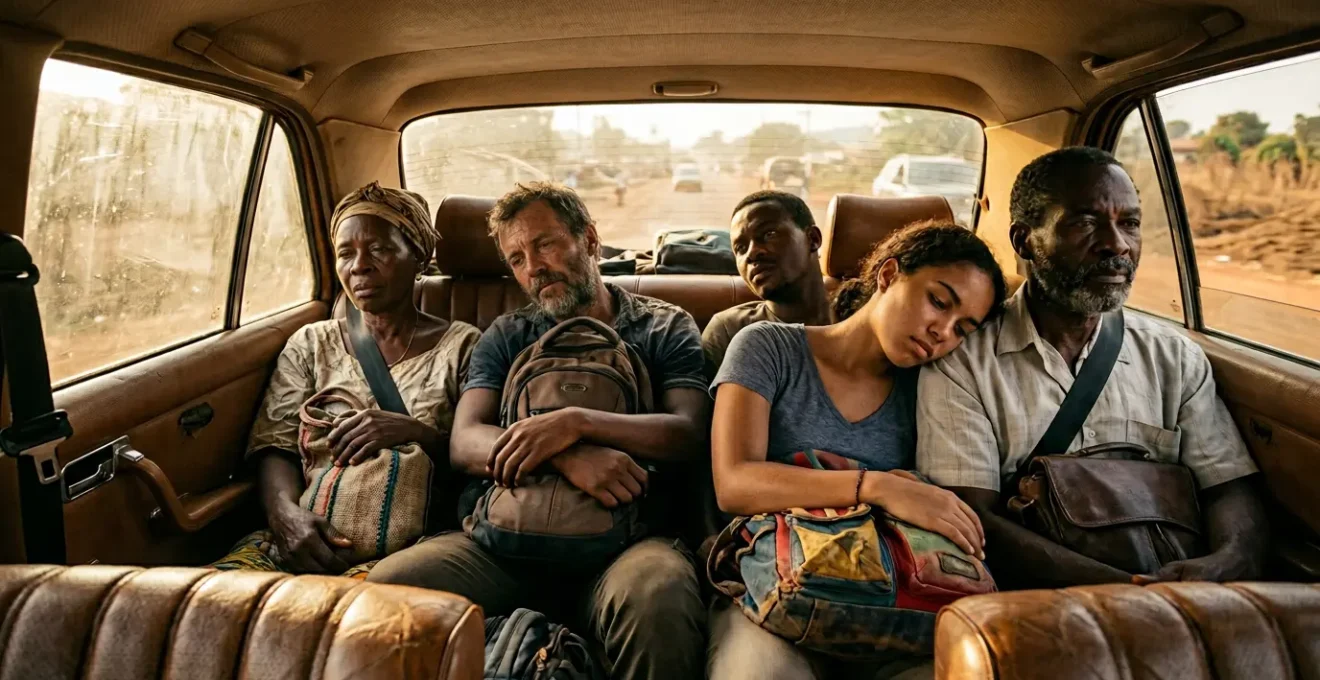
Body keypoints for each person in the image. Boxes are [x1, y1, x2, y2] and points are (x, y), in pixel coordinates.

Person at [368, 182, 709, 680]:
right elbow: (465, 441)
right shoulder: (508, 335)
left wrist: (577, 423)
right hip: (503, 543)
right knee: (389, 587)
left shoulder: (661, 326)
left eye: (545, 244)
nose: (533, 267)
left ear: (590, 239)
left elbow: (688, 431)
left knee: (659, 597)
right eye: (516, 258)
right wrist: (562, 454)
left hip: (627, 545)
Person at [916, 146, 1268, 589]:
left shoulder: (1175, 357)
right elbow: (973, 518)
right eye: (1085, 223)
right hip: (1043, 604)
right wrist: (1133, 592)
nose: (1116, 244)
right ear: (1025, 240)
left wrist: (1224, 564)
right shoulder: (962, 364)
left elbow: (1228, 486)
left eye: (1130, 224)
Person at [706, 221, 1008, 680]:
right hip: (771, 588)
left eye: (963, 328)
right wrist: (877, 486)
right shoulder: (768, 347)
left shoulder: (936, 387)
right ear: (888, 276)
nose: (942, 331)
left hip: (891, 601)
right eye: (938, 301)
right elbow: (735, 483)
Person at [213, 181, 481, 577]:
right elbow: (277, 446)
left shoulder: (463, 346)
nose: (360, 265)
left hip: (410, 550)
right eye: (346, 253)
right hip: (304, 537)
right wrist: (286, 519)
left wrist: (411, 432)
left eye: (380, 249)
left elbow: (474, 461)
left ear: (420, 259)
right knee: (217, 601)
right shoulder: (312, 342)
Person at [702, 190, 832, 378]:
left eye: (769, 234)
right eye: (740, 248)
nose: (752, 254)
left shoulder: (862, 313)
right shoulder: (729, 331)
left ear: (812, 239)